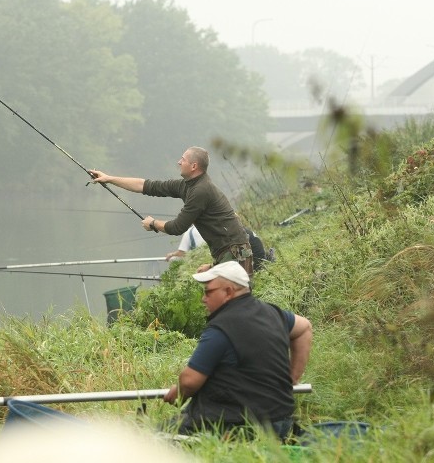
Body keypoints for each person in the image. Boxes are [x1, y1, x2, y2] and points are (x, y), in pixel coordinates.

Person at [163, 261, 312, 441]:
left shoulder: (220, 329)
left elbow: (189, 381)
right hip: (282, 422)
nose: (204, 298)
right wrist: (292, 379)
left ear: (228, 292)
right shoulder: (273, 313)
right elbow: (304, 327)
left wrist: (178, 394)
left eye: (208, 292)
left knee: (154, 438)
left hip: (235, 427)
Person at [89, 146, 254, 274]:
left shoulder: (200, 191)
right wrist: (109, 178)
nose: (178, 162)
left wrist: (153, 223)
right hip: (227, 253)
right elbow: (146, 185)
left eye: (183, 159)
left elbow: (177, 227)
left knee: (235, 306)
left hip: (235, 253)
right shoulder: (186, 185)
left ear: (194, 166)